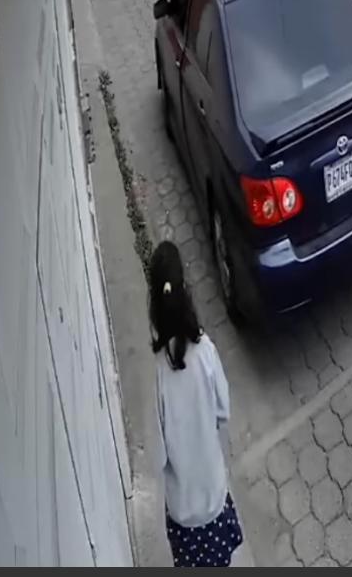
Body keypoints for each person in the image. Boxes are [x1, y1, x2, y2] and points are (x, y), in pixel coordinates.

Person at [148, 240, 243, 567]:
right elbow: (223, 410)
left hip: (183, 513)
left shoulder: (158, 374)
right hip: (212, 500)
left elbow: (157, 455)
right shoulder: (205, 352)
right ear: (186, 292)